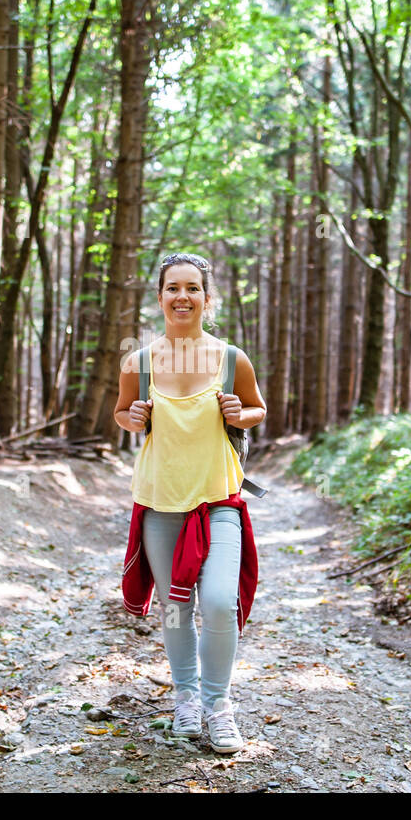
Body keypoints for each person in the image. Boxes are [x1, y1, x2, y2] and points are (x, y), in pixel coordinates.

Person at [113, 252, 267, 753]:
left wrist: (239, 413)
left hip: (218, 499)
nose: (183, 296)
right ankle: (185, 697)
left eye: (193, 288)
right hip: (160, 502)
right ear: (160, 297)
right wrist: (132, 417)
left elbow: (257, 409)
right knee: (176, 607)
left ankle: (218, 705)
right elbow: (121, 415)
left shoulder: (230, 359)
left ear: (207, 297)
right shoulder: (137, 362)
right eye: (173, 288)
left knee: (220, 602)